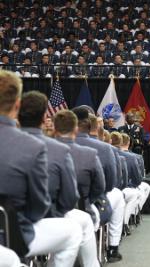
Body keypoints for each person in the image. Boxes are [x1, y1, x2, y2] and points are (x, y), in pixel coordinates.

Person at [0, 70, 82, 267]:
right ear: (17, 105)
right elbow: (38, 206)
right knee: (73, 232)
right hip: (12, 236)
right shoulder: (33, 147)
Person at [19, 91, 100, 267]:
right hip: (33, 225)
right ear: (44, 118)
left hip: (9, 226)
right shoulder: (58, 151)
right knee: (76, 229)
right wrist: (55, 212)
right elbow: (70, 198)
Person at [72, 106, 125, 262]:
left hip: (56, 208)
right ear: (90, 126)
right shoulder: (105, 148)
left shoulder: (53, 145)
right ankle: (113, 248)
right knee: (117, 195)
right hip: (90, 205)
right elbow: (110, 183)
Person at [53, 110, 105, 231]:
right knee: (85, 226)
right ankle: (112, 246)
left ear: (54, 129)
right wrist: (86, 200)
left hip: (43, 214)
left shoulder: (43, 149)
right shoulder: (90, 154)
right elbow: (100, 186)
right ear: (76, 130)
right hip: (79, 209)